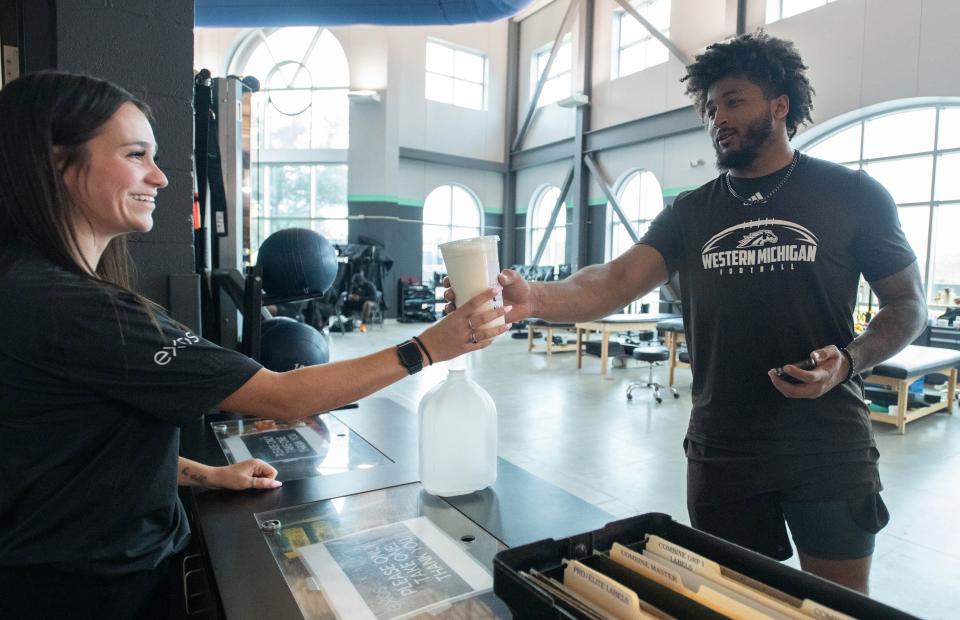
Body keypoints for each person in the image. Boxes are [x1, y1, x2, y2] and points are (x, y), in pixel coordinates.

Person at [0, 71, 510, 618]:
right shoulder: (75, 309)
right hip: (91, 594)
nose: (159, 177)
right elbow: (282, 396)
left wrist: (209, 475)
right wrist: (428, 348)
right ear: (58, 164)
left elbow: (81, 447)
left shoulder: (28, 284)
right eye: (135, 154)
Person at [446, 32, 926, 594]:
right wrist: (533, 299)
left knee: (838, 607)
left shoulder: (852, 194)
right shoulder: (691, 212)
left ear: (780, 105)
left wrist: (848, 361)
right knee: (734, 602)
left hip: (827, 444)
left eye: (733, 100)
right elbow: (614, 279)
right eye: (710, 106)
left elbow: (908, 304)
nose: (717, 116)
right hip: (723, 450)